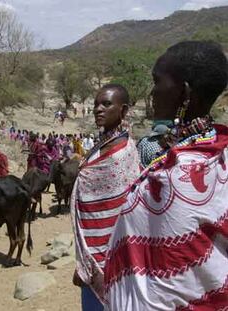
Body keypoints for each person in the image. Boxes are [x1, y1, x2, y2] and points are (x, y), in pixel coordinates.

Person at [104, 41, 228, 310]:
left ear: (184, 94)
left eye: (157, 82)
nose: (152, 92)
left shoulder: (171, 178)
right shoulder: (218, 153)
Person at [71, 84, 140, 310]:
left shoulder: (123, 153)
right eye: (95, 105)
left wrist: (91, 262)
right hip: (89, 254)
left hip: (110, 258)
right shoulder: (102, 145)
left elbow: (119, 213)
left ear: (124, 110)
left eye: (106, 104)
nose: (98, 109)